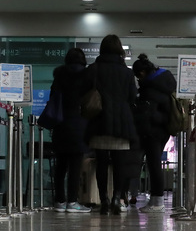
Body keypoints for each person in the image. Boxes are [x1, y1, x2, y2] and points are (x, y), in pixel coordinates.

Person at [82, 35, 138, 215]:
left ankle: (103, 199)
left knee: (101, 162)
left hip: (99, 120)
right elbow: (132, 97)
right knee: (120, 162)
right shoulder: (127, 72)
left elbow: (84, 94)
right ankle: (117, 198)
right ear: (119, 50)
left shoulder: (93, 69)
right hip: (121, 122)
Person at [132, 53, 176, 213]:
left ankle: (157, 201)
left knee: (154, 165)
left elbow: (147, 112)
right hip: (163, 130)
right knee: (155, 163)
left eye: (138, 76)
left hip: (152, 131)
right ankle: (156, 200)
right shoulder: (164, 82)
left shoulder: (150, 88)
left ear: (142, 73)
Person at [50, 48, 91, 213]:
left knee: (61, 165)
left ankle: (59, 201)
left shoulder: (59, 76)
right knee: (75, 166)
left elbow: (53, 99)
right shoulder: (87, 77)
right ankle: (72, 201)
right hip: (79, 125)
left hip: (60, 124)